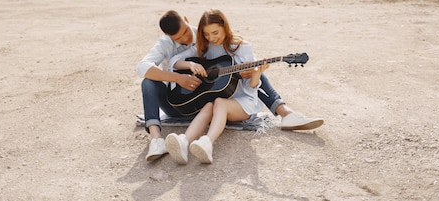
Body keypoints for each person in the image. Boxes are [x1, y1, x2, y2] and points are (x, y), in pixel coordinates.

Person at [136, 10, 323, 162]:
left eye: (186, 32)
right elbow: (155, 64)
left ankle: (285, 113)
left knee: (247, 73)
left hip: (216, 99)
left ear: (187, 20)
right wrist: (182, 74)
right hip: (180, 100)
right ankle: (161, 140)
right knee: (150, 81)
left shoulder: (209, 39)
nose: (186, 38)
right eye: (179, 38)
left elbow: (251, 83)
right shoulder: (195, 44)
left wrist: (255, 70)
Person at [165, 9, 267, 164]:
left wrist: (256, 73)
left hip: (243, 102)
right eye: (206, 34)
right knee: (208, 105)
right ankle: (184, 143)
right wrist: (191, 64)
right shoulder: (206, 46)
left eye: (215, 32)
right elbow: (174, 61)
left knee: (219, 102)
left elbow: (251, 88)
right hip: (218, 99)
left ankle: (207, 143)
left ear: (224, 26)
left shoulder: (242, 47)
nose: (211, 38)